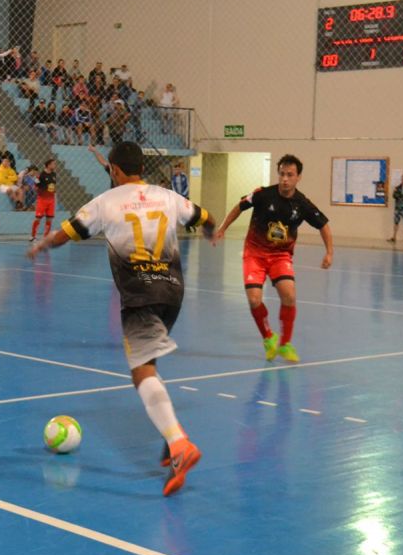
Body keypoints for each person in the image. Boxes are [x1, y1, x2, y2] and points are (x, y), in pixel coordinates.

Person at [27, 141, 214, 496]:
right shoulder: (168, 196)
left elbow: (68, 234)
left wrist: (41, 245)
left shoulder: (105, 202)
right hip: (173, 292)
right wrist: (211, 231)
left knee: (141, 371)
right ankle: (168, 435)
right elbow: (204, 218)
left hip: (140, 293)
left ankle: (178, 444)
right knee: (150, 363)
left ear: (113, 169)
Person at [212, 154, 332, 364]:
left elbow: (323, 225)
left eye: (290, 175)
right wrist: (222, 228)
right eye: (282, 174)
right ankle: (268, 338)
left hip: (280, 256)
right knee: (254, 299)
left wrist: (329, 252)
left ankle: (285, 344)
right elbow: (239, 207)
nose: (285, 179)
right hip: (255, 253)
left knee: (289, 296)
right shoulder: (262, 194)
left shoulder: (302, 204)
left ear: (298, 177)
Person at [31, 159, 58, 241]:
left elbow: (54, 186)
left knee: (49, 218)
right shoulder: (41, 175)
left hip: (51, 199)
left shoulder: (54, 174)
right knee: (38, 218)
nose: (55, 165)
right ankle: (33, 236)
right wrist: (40, 191)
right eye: (53, 164)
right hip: (42, 199)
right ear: (48, 165)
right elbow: (35, 186)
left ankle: (45, 237)